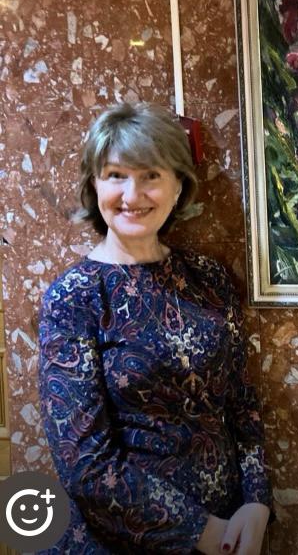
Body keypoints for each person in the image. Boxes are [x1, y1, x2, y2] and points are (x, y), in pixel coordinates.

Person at [37, 102, 273, 554]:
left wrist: (256, 501)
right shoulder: (74, 297)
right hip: (121, 541)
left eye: (150, 175)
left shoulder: (209, 278)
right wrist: (204, 532)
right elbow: (84, 464)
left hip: (233, 530)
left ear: (178, 185)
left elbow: (242, 402)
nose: (133, 194)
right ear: (94, 184)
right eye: (116, 175)